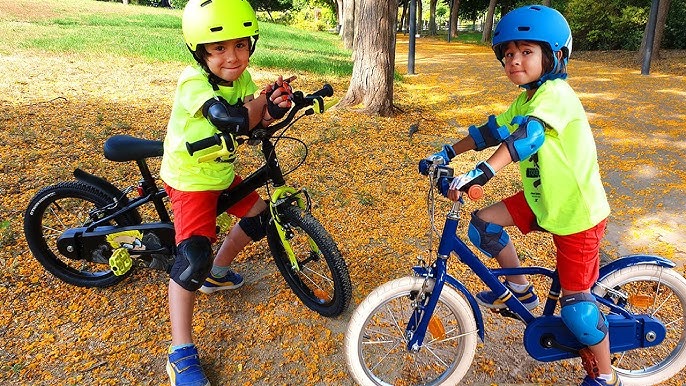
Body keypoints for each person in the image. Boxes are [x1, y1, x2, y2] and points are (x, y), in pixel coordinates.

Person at [419, 5, 618, 386]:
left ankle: (606, 376)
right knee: (482, 226)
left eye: (526, 51)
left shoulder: (556, 94)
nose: (514, 60)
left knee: (578, 312)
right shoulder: (527, 99)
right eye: (508, 53)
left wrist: (483, 171)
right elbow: (492, 132)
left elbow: (528, 138)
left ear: (555, 55)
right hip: (542, 199)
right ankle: (522, 294)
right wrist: (447, 151)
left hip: (576, 212)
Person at [159, 0, 294, 384]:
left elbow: (256, 119)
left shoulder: (244, 80)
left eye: (240, 45)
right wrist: (258, 107)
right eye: (218, 48)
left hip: (220, 174)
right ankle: (180, 351)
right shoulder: (193, 82)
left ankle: (218, 273)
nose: (232, 57)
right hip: (191, 180)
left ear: (251, 44)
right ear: (200, 52)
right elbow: (231, 118)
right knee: (191, 259)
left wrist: (274, 106)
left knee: (260, 216)